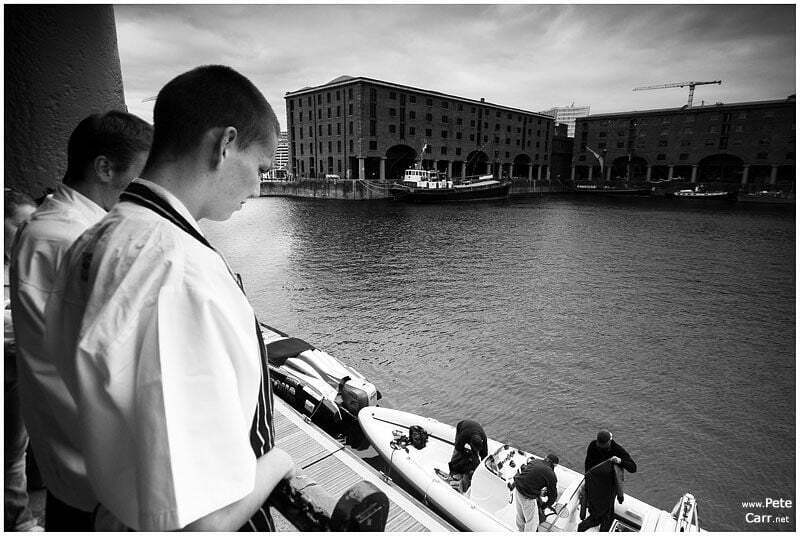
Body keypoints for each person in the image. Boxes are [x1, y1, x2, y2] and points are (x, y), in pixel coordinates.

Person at [44, 65, 294, 531]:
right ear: (224, 145)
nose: (260, 187)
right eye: (261, 168)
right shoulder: (180, 275)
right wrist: (278, 460)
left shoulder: (95, 239)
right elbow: (201, 523)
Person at [10, 111, 152, 531]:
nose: (145, 190)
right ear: (105, 167)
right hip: (91, 468)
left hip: (68, 459)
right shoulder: (73, 240)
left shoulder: (47, 226)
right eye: (140, 176)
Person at [4, 189, 40, 532]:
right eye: (21, 225)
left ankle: (19, 520)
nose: (30, 233)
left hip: (17, 366)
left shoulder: (26, 262)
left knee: (14, 451)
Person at [577, 430, 637, 532]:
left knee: (606, 514)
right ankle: (591, 523)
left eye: (603, 445)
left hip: (608, 488)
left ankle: (594, 525)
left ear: (610, 441)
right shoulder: (593, 445)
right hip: (594, 484)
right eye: (599, 444)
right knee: (598, 512)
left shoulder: (617, 450)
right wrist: (588, 481)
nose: (600, 446)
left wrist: (620, 461)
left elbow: (633, 468)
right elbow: (588, 464)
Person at [512, 453, 559, 532]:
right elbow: (553, 496)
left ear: (545, 458)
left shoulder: (535, 461)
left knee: (521, 516)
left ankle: (520, 530)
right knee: (533, 522)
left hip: (517, 488)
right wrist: (545, 506)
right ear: (554, 465)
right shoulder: (551, 474)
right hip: (527, 496)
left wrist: (539, 492)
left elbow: (529, 478)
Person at [448, 419, 488, 491]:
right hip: (462, 426)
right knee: (457, 452)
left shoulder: (483, 438)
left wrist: (481, 468)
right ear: (470, 443)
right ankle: (453, 470)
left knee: (474, 456)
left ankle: (473, 472)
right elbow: (459, 447)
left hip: (475, 429)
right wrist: (465, 456)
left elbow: (484, 454)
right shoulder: (464, 435)